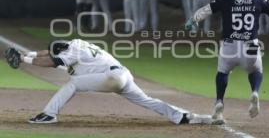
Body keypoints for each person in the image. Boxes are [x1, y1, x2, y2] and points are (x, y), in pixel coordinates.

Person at [5, 39, 216, 125]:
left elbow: (51, 60)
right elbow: (49, 54)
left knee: (73, 84)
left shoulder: (72, 50)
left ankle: (49, 115)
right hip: (121, 75)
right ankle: (188, 117)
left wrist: (24, 60)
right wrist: (27, 54)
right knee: (147, 100)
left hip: (112, 78)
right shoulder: (77, 47)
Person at [185, 0, 269, 123]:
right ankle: (255, 92)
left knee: (222, 72)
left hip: (229, 45)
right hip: (251, 44)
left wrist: (192, 20)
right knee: (256, 70)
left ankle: (219, 102)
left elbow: (205, 11)